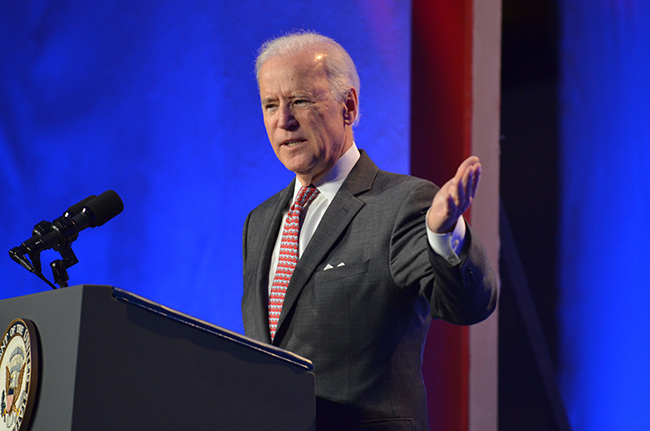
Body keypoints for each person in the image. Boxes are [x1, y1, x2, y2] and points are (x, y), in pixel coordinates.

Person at [242, 31, 498, 431]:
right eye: (270, 104)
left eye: (300, 101)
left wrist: (446, 236)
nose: (283, 120)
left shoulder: (402, 203)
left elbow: (469, 304)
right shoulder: (259, 222)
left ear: (349, 106)